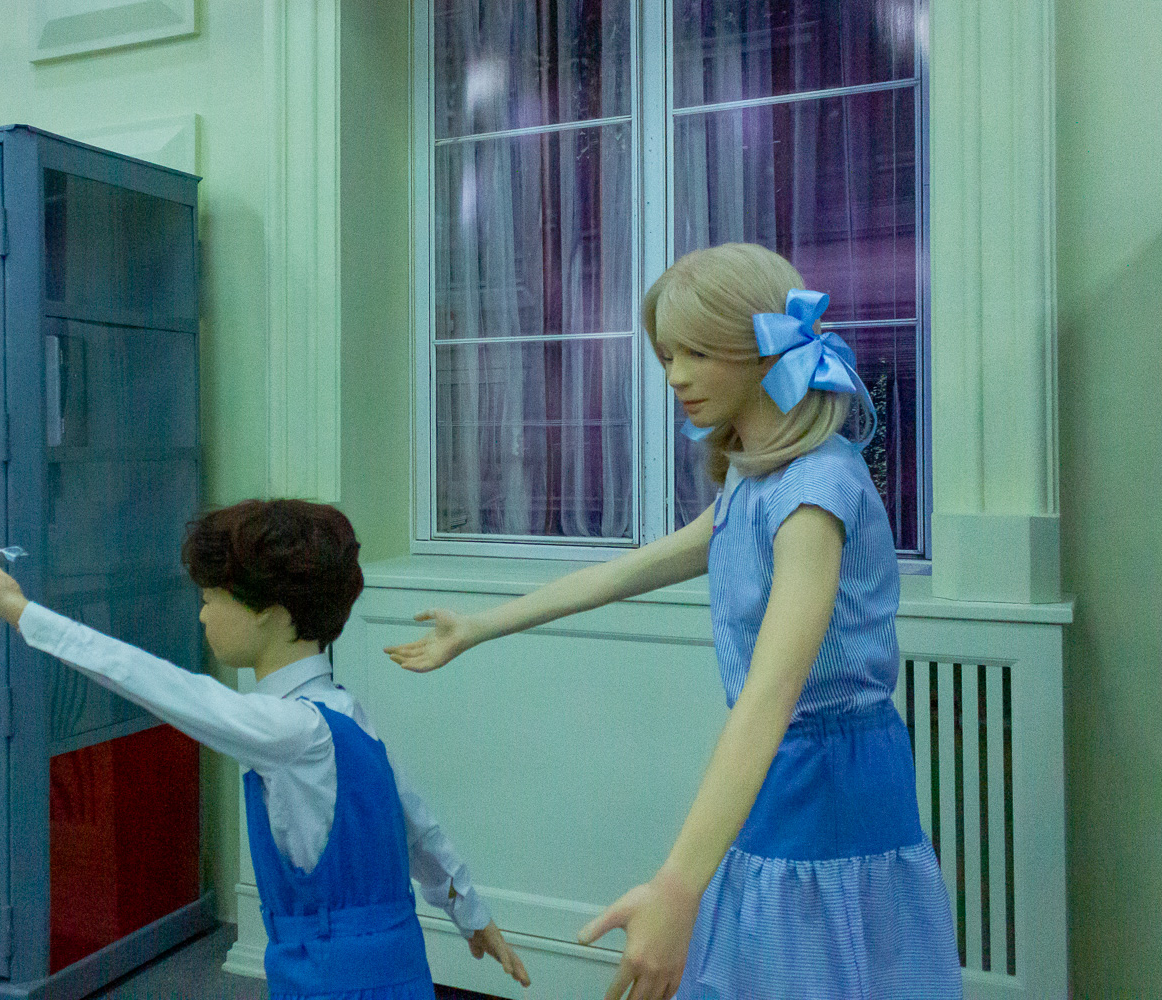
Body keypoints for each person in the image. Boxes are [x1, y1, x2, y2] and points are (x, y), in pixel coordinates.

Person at [386, 243, 960, 1000]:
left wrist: (677, 887)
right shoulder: (758, 485)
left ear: (764, 353)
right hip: (787, 768)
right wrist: (478, 627)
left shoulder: (815, 492)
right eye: (666, 355)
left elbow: (771, 694)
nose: (675, 377)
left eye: (697, 353)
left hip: (830, 777)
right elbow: (624, 572)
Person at [0, 498, 530, 998]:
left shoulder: (287, 731)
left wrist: (18, 610)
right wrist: (471, 913)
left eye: (212, 598)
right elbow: (418, 827)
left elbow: (149, 680)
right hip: (401, 970)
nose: (203, 612)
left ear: (269, 612)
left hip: (329, 982)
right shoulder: (348, 713)